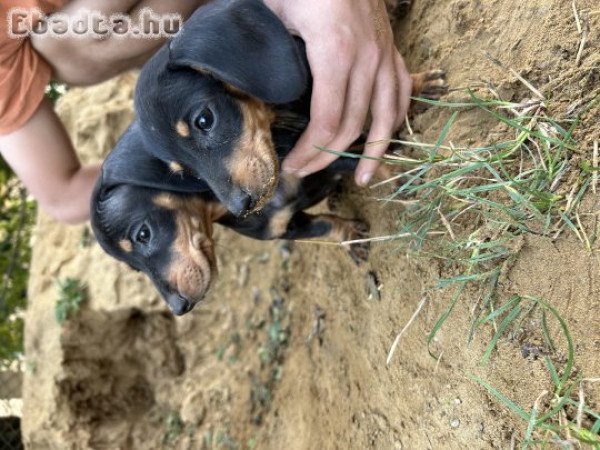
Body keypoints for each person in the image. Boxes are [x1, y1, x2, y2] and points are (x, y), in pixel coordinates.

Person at [0, 0, 411, 225]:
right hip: (199, 33)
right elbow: (64, 194)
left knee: (72, 42)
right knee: (67, 47)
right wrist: (183, 146)